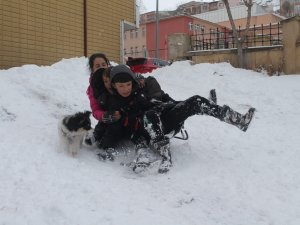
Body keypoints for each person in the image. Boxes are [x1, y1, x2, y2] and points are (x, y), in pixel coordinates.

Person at [98, 64, 255, 174]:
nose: (125, 89)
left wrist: (169, 105)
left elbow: (164, 100)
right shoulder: (114, 105)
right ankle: (165, 153)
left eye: (127, 84)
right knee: (149, 114)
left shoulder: (142, 89)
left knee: (195, 101)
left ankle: (237, 119)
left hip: (166, 121)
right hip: (147, 131)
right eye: (121, 86)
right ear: (114, 85)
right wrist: (102, 141)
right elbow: (111, 127)